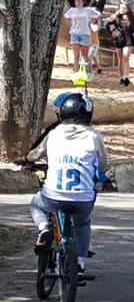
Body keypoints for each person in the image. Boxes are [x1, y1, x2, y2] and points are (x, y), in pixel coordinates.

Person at [27, 92, 109, 274]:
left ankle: (44, 229)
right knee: (83, 224)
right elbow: (103, 163)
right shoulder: (94, 136)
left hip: (53, 195)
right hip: (83, 197)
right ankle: (79, 263)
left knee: (35, 205)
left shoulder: (54, 134)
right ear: (87, 115)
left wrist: (28, 159)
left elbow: (34, 155)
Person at [64, 0, 101, 72]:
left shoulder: (88, 10)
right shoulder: (72, 10)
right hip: (74, 33)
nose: (77, 3)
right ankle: (75, 74)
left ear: (83, 2)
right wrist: (71, 22)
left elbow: (98, 14)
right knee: (76, 55)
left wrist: (92, 21)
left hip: (85, 34)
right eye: (76, 1)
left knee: (85, 55)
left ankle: (87, 72)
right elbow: (66, 16)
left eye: (79, 1)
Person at [106, 2, 134, 86]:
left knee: (126, 57)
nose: (122, 9)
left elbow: (133, 29)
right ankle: (121, 77)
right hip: (118, 40)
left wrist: (128, 23)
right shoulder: (116, 17)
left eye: (124, 8)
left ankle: (126, 77)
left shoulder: (131, 18)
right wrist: (113, 31)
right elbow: (108, 23)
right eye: (121, 8)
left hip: (128, 40)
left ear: (128, 9)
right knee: (120, 60)